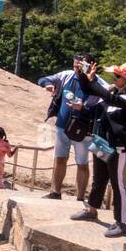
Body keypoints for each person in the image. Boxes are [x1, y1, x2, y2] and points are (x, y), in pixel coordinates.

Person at [74, 62, 126, 238]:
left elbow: (108, 98)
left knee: (119, 184)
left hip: (120, 146)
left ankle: (121, 223)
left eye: (118, 76)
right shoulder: (113, 92)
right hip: (102, 142)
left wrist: (93, 82)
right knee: (99, 179)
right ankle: (91, 209)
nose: (114, 79)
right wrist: (83, 75)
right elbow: (94, 95)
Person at [37, 54, 98, 202]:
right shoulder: (67, 76)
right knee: (59, 158)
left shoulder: (97, 83)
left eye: (80, 64)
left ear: (91, 66)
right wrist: (47, 85)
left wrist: (83, 107)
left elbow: (99, 107)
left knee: (82, 163)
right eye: (75, 64)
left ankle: (80, 198)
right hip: (62, 125)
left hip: (83, 129)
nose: (76, 67)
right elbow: (44, 79)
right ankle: (55, 192)